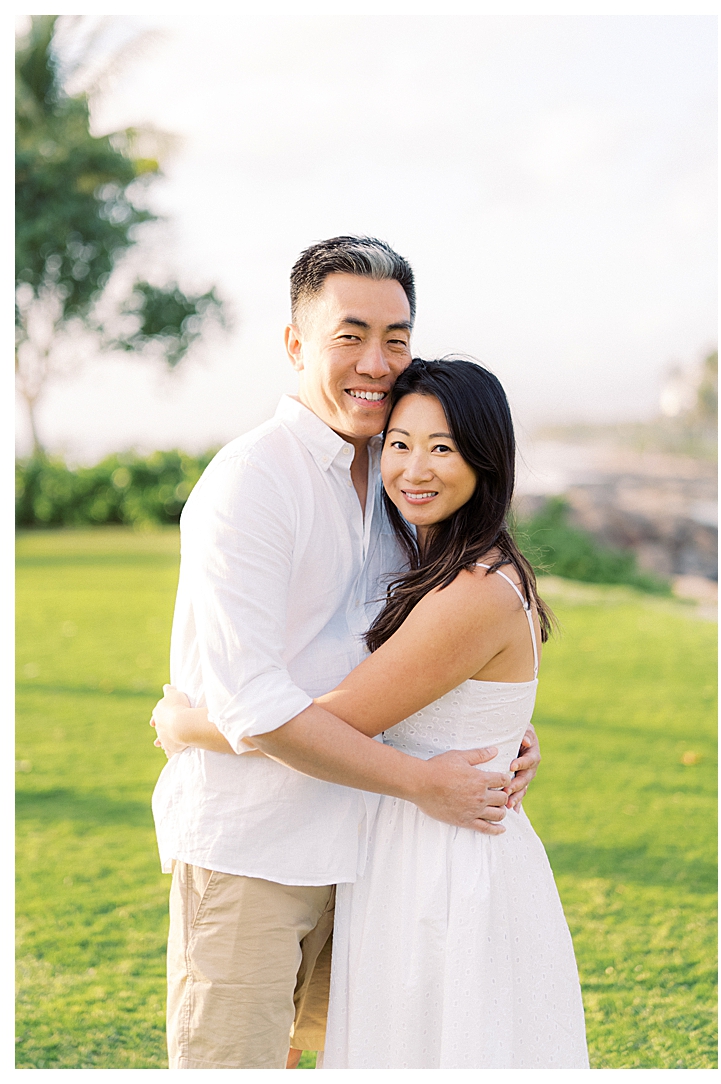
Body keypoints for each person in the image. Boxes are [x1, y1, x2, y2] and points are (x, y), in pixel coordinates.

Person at [148, 237, 540, 1070]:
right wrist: (424, 778)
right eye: (349, 335)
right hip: (255, 852)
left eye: (396, 338)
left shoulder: (402, 482)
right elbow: (258, 705)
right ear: (295, 343)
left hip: (371, 860)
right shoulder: (251, 483)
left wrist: (499, 737)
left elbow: (425, 659)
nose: (377, 361)